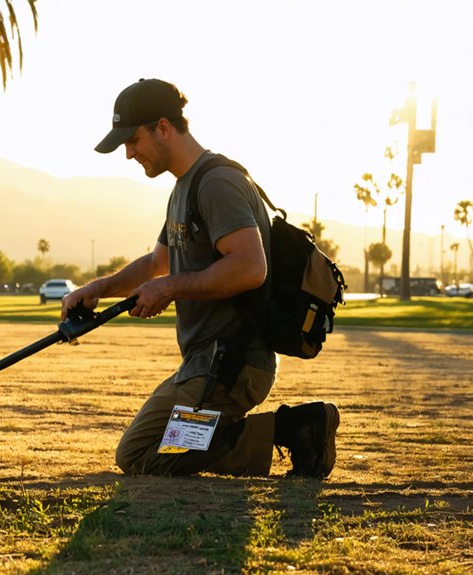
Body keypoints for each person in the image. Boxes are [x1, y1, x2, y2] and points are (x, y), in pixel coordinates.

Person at [63, 78, 339, 479]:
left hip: (232, 366)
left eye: (133, 140)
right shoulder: (184, 187)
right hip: (203, 365)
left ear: (163, 127)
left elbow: (250, 266)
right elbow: (157, 262)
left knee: (142, 454)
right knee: (140, 449)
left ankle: (295, 429)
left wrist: (170, 287)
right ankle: (280, 429)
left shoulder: (217, 183)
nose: (128, 153)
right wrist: (98, 289)